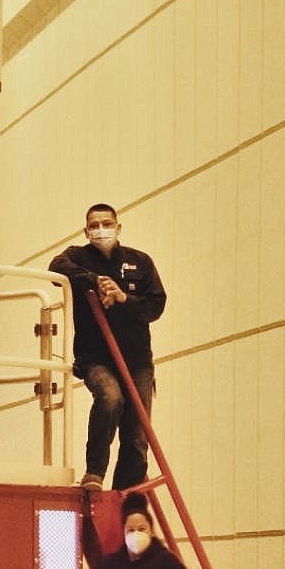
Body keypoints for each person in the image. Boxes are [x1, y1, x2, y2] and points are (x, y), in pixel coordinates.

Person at [49, 202, 166, 490]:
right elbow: (56, 266)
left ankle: (126, 494)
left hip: (137, 359)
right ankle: (95, 473)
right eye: (94, 225)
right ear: (86, 230)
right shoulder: (76, 257)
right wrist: (96, 282)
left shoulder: (141, 262)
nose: (101, 230)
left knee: (137, 434)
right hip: (95, 358)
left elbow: (156, 305)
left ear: (118, 227)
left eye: (107, 223)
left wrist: (123, 298)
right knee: (111, 399)